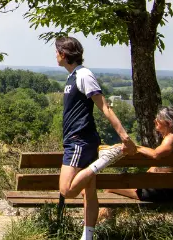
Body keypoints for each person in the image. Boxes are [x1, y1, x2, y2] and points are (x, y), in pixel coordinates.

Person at [54, 37, 136, 240]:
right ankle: (87, 236)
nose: (55, 55)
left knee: (67, 190)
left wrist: (124, 136)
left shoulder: (84, 75)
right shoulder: (73, 76)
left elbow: (104, 106)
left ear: (63, 54)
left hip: (79, 140)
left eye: (57, 52)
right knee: (89, 192)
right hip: (83, 140)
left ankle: (104, 160)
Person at [101, 107, 173, 202]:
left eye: (159, 118)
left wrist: (136, 147)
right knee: (115, 186)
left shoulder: (171, 139)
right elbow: (161, 166)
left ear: (168, 123)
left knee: (109, 188)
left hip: (160, 192)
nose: (155, 120)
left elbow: (155, 154)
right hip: (164, 189)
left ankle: (103, 212)